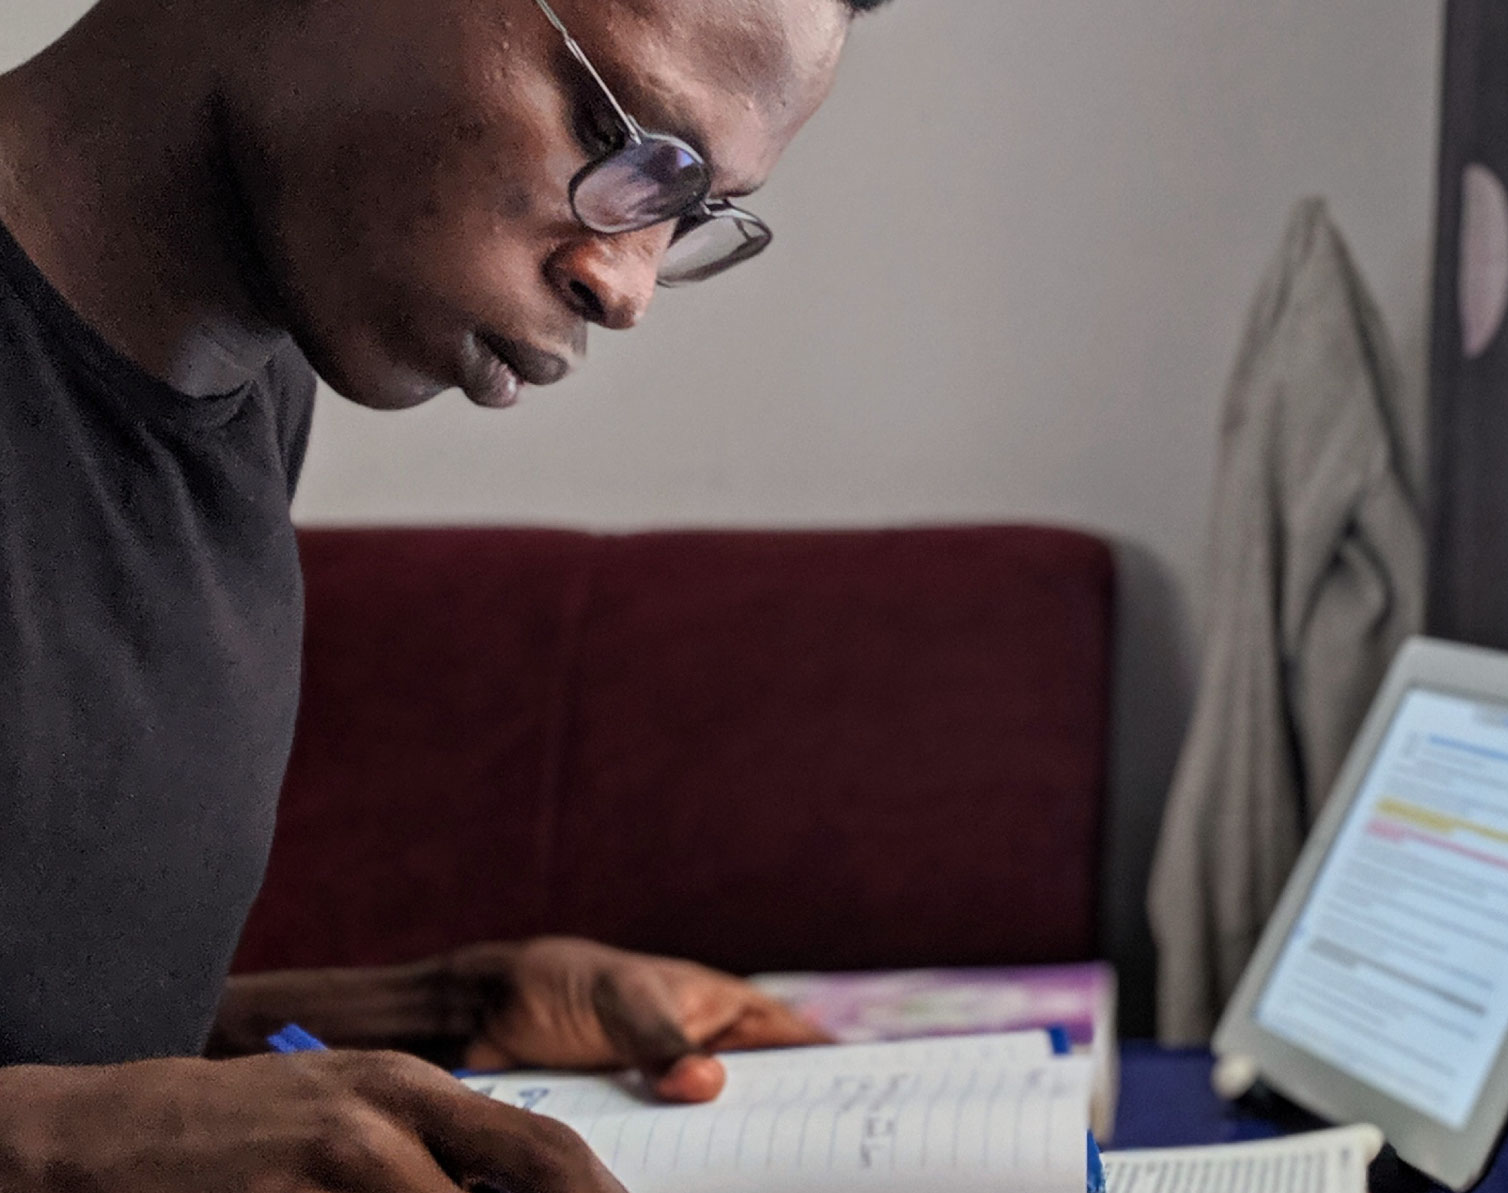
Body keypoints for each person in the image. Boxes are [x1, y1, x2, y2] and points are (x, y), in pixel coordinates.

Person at [0, 0, 884, 1185]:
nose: (628, 287)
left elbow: (64, 1036)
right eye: (629, 143)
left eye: (688, 211)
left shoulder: (253, 381)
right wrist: (50, 1148)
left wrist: (436, 1006)